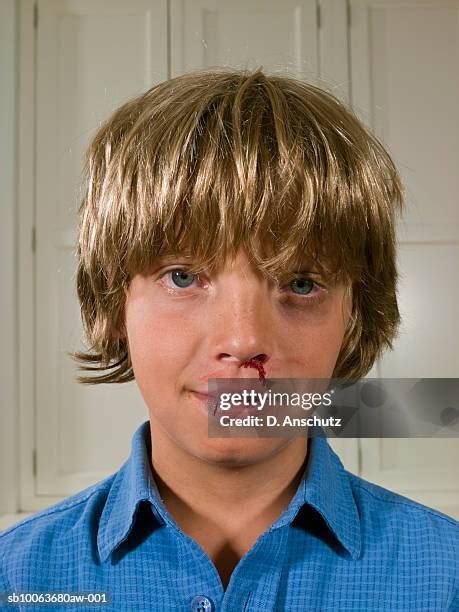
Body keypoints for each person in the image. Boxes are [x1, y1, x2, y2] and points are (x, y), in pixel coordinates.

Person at [1, 68, 457, 611]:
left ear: (353, 315)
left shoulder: (446, 578)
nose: (244, 340)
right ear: (114, 299)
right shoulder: (16, 579)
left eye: (301, 284)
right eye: (183, 277)